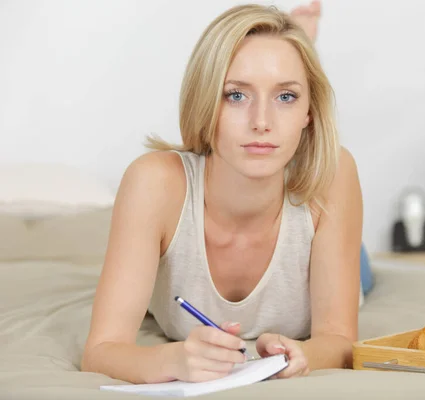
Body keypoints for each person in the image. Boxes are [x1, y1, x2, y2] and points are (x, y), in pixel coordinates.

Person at [81, 0, 363, 384]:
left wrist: (304, 353)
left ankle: (299, 46)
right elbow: (100, 351)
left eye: (286, 97)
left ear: (309, 112)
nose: (261, 123)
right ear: (205, 101)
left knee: (361, 270)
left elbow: (341, 338)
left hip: (317, 228)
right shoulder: (153, 184)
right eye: (236, 95)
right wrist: (172, 361)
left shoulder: (332, 173)